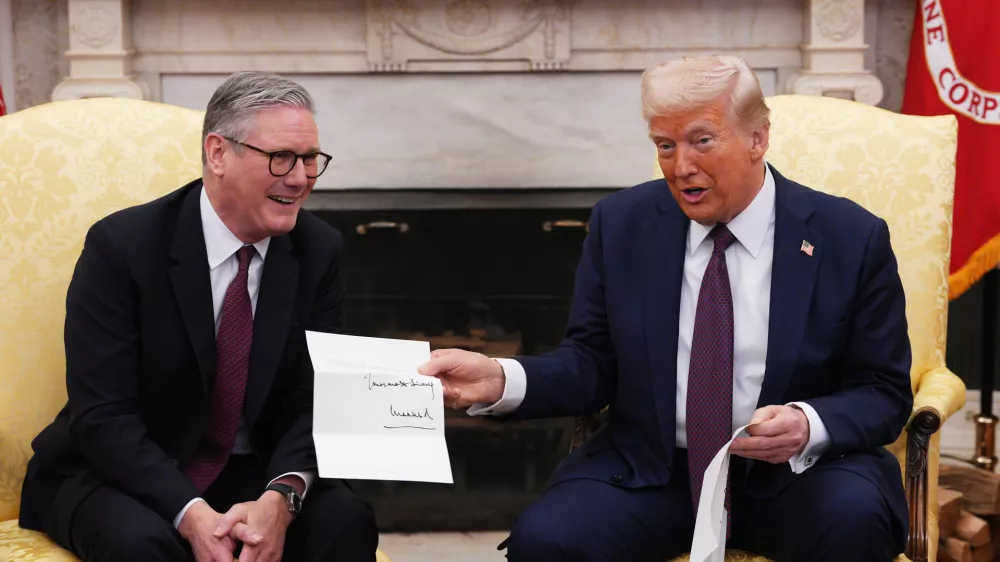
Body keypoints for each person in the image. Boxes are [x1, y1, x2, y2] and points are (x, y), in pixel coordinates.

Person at [418, 55, 913, 562]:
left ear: (758, 138)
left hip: (798, 473)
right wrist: (500, 379)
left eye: (703, 140)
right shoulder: (622, 224)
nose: (681, 167)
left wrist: (809, 424)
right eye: (665, 145)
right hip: (655, 471)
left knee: (855, 520)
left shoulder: (849, 237)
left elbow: (884, 390)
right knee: (547, 540)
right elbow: (591, 362)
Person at [18, 71, 379, 562]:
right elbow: (103, 415)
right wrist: (190, 514)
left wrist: (282, 496)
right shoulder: (122, 247)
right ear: (218, 153)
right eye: (281, 157)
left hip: (254, 468)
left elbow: (320, 398)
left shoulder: (318, 249)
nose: (300, 178)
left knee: (346, 524)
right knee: (142, 546)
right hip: (121, 469)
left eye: (310, 158)